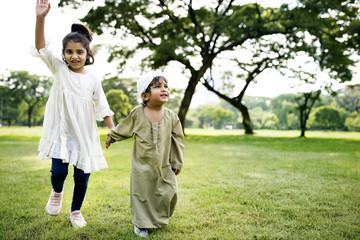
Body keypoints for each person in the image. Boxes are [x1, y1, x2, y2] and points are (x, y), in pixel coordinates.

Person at [33, 0, 115, 228]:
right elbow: (40, 47)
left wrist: (112, 129)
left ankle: (75, 212)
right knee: (58, 172)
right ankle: (56, 193)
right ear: (64, 54)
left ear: (87, 53)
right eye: (69, 52)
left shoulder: (93, 78)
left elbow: (102, 106)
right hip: (61, 132)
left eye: (79, 52)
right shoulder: (59, 69)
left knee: (82, 176)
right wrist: (41, 18)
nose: (74, 56)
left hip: (84, 134)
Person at [106, 73, 184, 238]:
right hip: (142, 164)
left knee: (169, 191)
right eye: (157, 87)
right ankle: (141, 223)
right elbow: (125, 127)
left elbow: (178, 140)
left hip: (164, 163)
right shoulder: (138, 113)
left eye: (165, 86)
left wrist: (176, 162)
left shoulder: (171, 117)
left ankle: (159, 217)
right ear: (145, 95)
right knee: (142, 194)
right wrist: (112, 137)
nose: (164, 89)